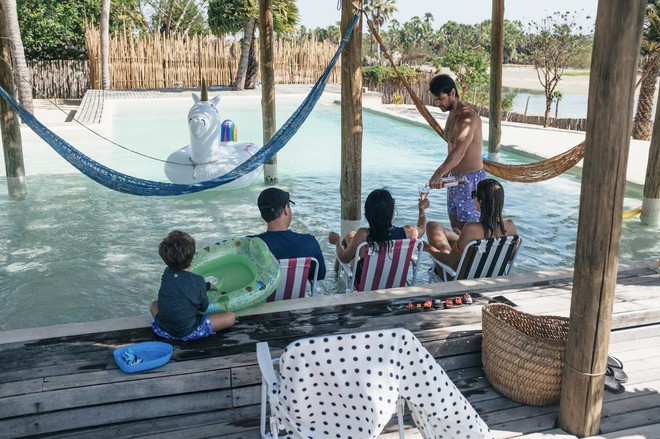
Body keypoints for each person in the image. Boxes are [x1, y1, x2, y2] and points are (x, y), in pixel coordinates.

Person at [328, 188, 429, 286]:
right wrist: (422, 208)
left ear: (368, 213)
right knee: (350, 236)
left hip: (365, 283)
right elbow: (422, 228)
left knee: (349, 240)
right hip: (395, 283)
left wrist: (337, 241)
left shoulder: (363, 234)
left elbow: (344, 258)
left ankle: (334, 279)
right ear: (392, 211)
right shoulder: (409, 232)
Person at [150, 230, 235, 341]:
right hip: (188, 332)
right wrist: (206, 288)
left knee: (154, 304)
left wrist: (207, 286)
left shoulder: (167, 273)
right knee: (230, 317)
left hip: (162, 330)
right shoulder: (197, 281)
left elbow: (182, 285)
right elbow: (203, 307)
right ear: (192, 257)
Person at [428, 73, 486, 231]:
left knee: (469, 229)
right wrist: (447, 171)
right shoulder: (452, 115)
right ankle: (459, 256)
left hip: (470, 180)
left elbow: (460, 150)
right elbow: (452, 147)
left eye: (440, 98)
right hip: (455, 179)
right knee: (455, 227)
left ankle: (471, 256)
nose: (437, 103)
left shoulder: (468, 118)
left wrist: (439, 172)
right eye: (435, 99)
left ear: (452, 93)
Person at [425, 178, 517, 271]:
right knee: (437, 228)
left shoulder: (471, 228)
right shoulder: (510, 225)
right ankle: (458, 237)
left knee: (432, 227)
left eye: (474, 194)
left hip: (462, 278)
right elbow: (510, 257)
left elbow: (450, 261)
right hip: (493, 275)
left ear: (480, 202)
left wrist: (427, 248)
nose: (473, 197)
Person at [253, 187, 326, 282]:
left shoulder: (251, 245)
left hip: (264, 296)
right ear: (286, 209)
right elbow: (319, 275)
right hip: (296, 296)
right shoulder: (308, 242)